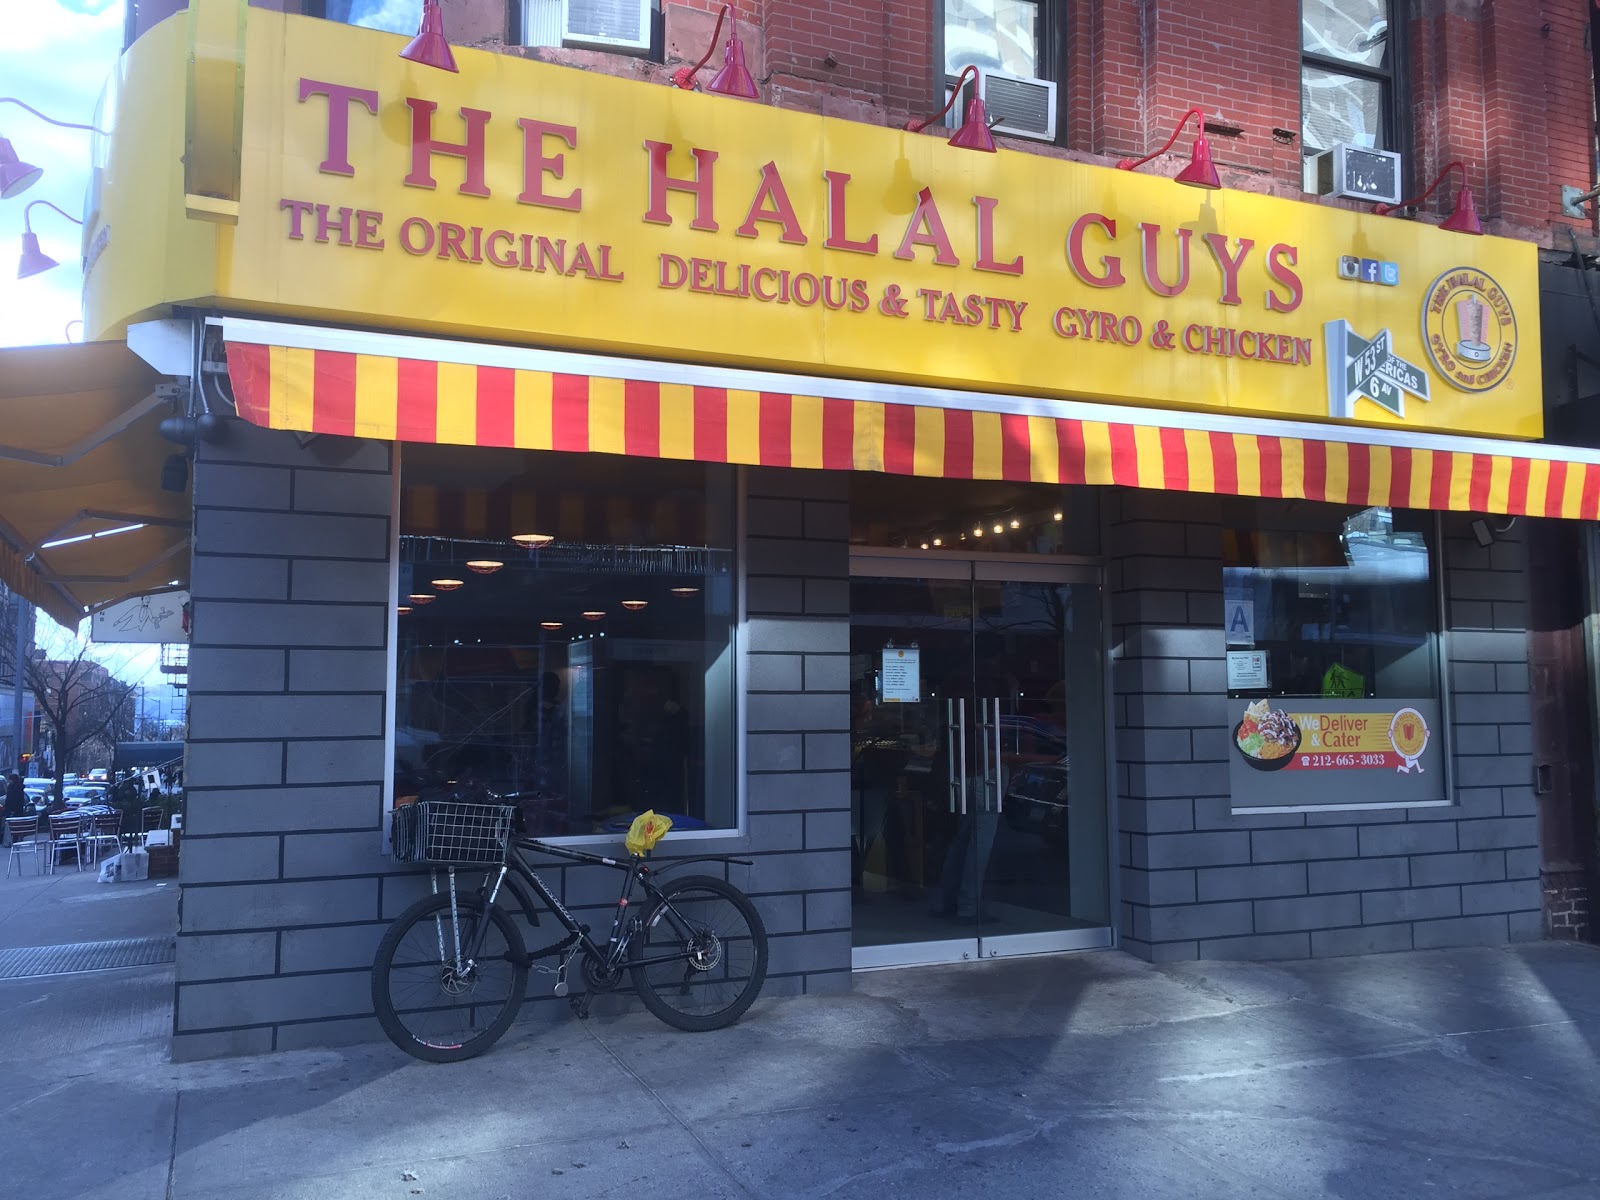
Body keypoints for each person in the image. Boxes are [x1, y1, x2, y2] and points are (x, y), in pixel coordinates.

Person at [2, 771, 26, 844]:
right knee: (18, 824)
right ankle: (18, 837)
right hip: (19, 809)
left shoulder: (12, 788)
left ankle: (13, 838)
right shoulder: (20, 788)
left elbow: (10, 800)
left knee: (12, 824)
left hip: (12, 810)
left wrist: (7, 808)